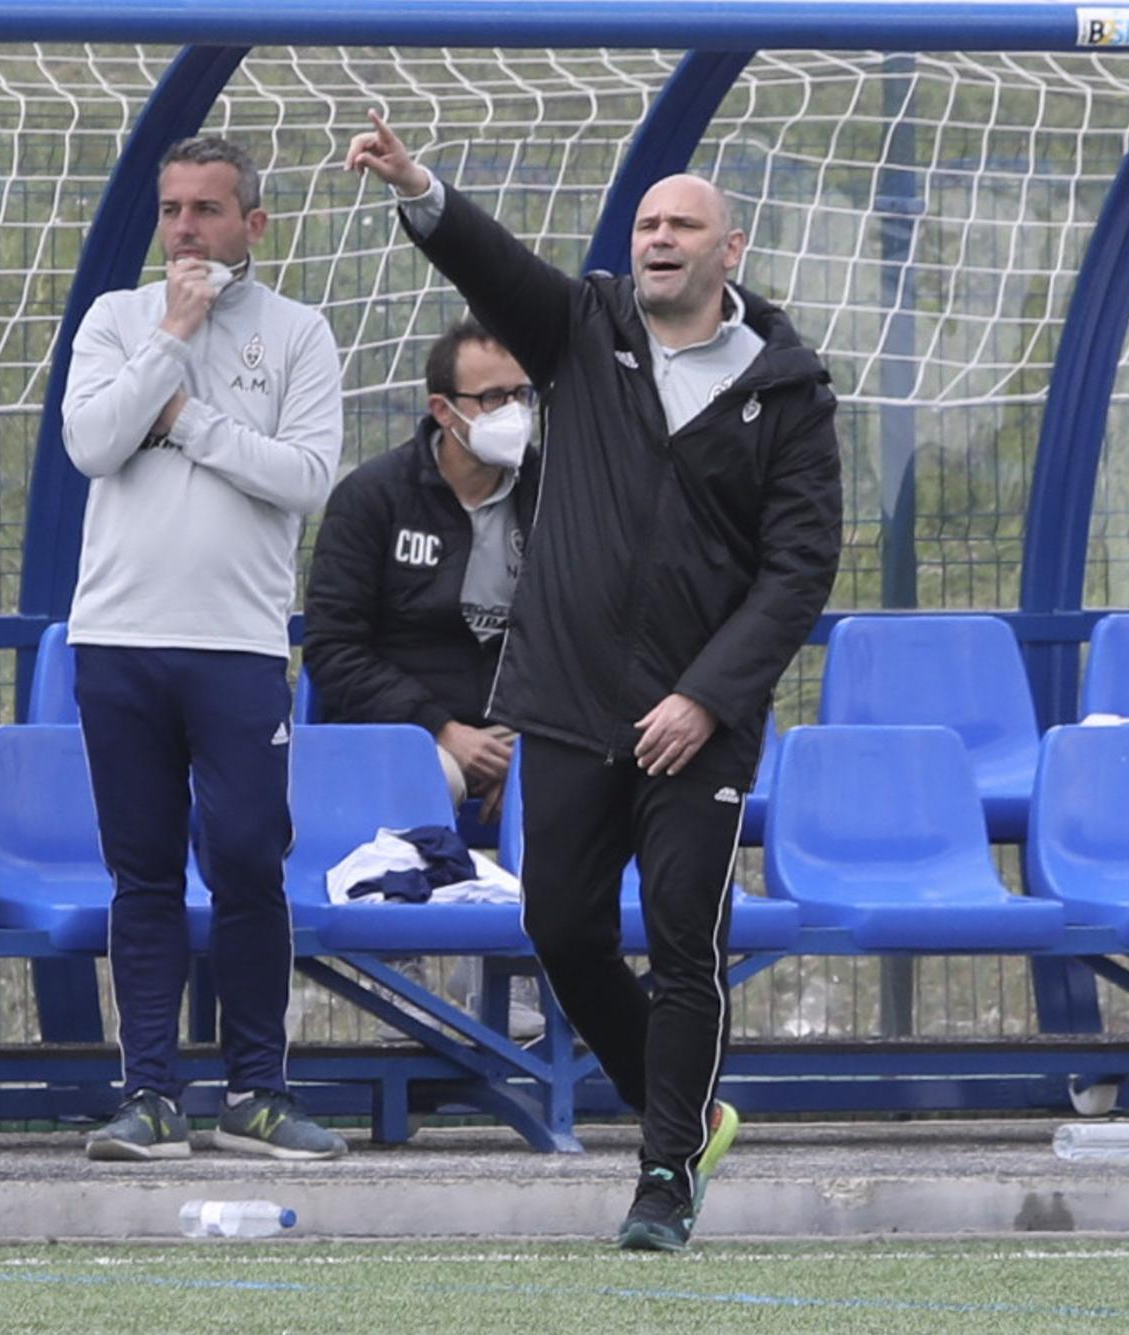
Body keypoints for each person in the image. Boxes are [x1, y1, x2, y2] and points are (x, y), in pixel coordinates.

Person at [349, 114, 844, 1249]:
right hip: (570, 704)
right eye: (647, 224)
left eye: (683, 225)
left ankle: (664, 1174)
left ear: (731, 249)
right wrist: (418, 184)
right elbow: (487, 262)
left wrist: (707, 696)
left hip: (697, 725)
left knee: (685, 942)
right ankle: (689, 1110)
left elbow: (797, 568)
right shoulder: (582, 327)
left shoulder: (788, 390)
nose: (659, 238)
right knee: (562, 929)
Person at [62, 135, 347, 1162]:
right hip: (117, 640)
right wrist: (170, 349)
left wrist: (183, 424)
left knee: (243, 860)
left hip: (236, 646)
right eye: (173, 209)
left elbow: (306, 476)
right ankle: (148, 1095)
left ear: (252, 223)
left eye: (207, 210)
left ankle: (256, 1094)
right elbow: (92, 444)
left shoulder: (301, 334)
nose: (186, 229)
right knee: (139, 872)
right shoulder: (116, 321)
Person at [303, 317, 544, 1040]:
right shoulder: (371, 499)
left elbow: (586, 632)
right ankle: (399, 970)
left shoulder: (557, 494)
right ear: (444, 410)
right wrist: (445, 731)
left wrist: (521, 737)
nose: (514, 413)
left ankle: (521, 970)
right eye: (493, 397)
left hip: (519, 724)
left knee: (572, 771)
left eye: (524, 394)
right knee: (425, 774)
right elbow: (333, 649)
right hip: (400, 735)